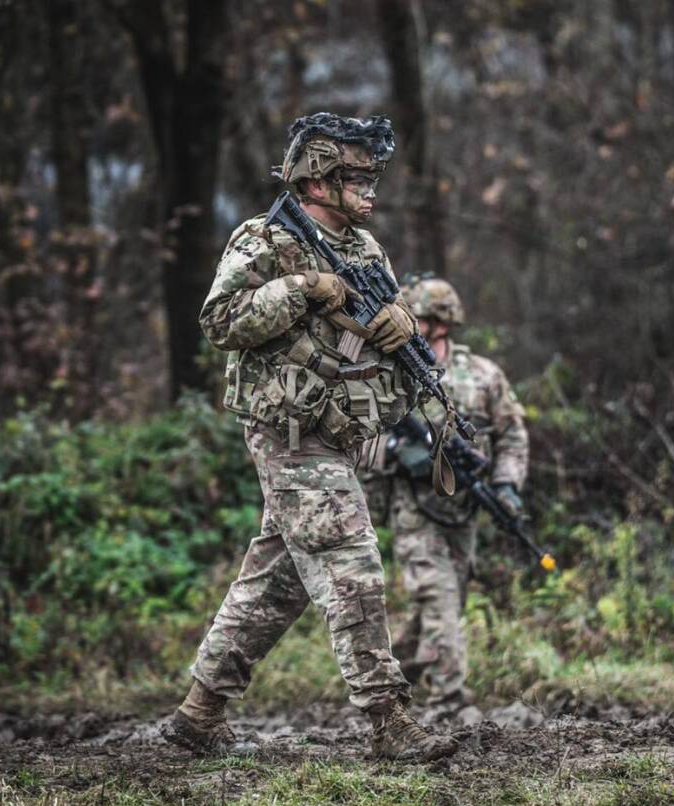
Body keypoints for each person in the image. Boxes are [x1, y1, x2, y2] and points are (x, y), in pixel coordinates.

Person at [161, 113, 457, 763]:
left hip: (336, 433)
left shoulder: (364, 249)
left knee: (280, 581)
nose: (372, 188)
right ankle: (388, 717)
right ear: (319, 179)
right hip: (289, 432)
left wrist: (400, 324)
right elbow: (220, 318)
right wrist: (302, 287)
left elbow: (376, 330)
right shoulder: (264, 239)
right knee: (352, 564)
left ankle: (199, 713)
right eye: (359, 176)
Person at [368, 277, 529, 717]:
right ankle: (450, 706)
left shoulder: (483, 375)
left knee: (440, 608)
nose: (408, 325)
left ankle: (381, 688)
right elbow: (356, 441)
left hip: (464, 513)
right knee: (437, 600)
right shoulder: (389, 375)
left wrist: (507, 486)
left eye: (417, 318)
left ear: (440, 324)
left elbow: (512, 435)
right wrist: (400, 453)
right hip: (414, 511)